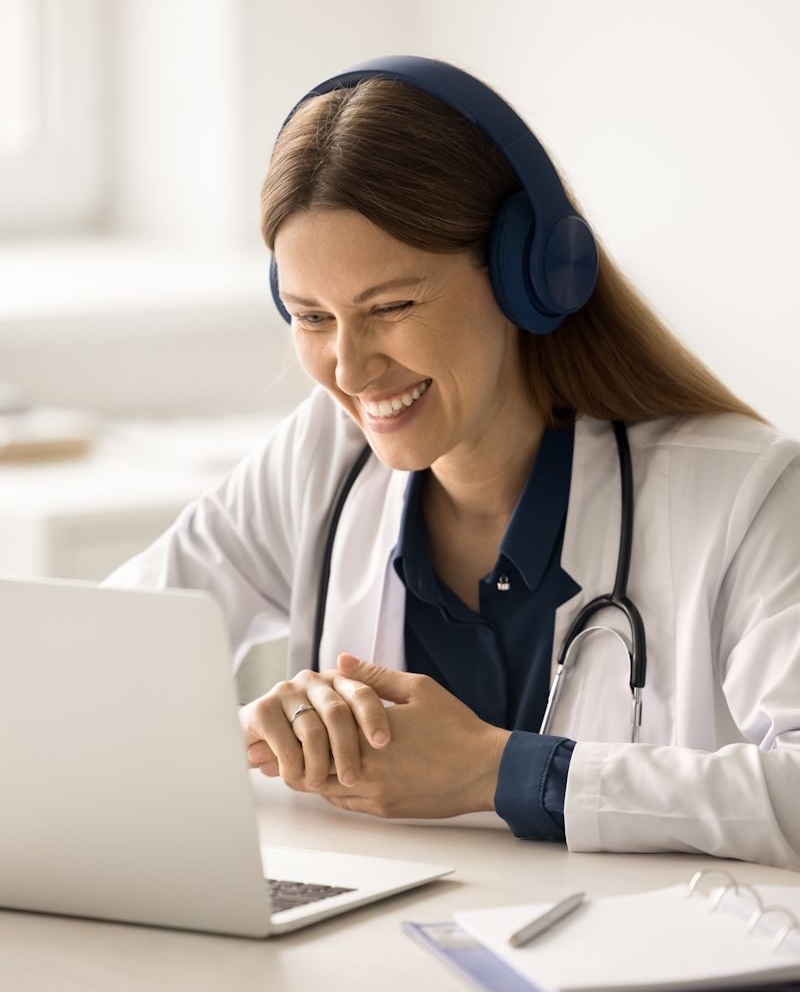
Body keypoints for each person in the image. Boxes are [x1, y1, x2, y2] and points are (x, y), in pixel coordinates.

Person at [103, 57, 800, 869]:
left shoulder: (747, 493)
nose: (352, 369)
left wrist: (498, 771)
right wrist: (242, 736)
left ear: (529, 272)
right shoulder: (319, 460)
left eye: (391, 306)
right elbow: (101, 664)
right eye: (311, 316)